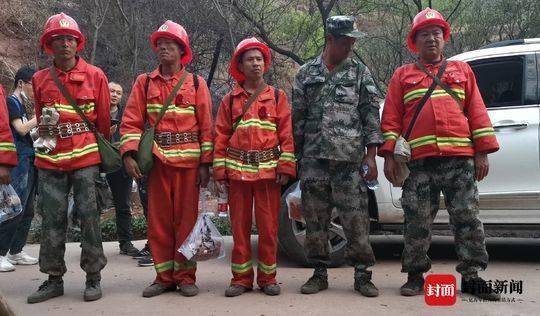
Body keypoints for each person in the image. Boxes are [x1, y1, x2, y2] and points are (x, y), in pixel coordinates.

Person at [379, 8, 500, 301]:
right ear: (414, 41)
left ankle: (472, 276)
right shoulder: (402, 75)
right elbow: (391, 120)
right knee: (416, 220)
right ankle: (415, 276)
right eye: (424, 34)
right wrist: (390, 157)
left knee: (468, 218)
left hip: (460, 160)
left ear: (444, 38)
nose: (431, 39)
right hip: (419, 164)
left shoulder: (462, 71)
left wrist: (482, 152)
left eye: (436, 33)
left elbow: (477, 112)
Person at [120, 20, 213, 298]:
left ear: (181, 50)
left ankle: (185, 277)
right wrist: (129, 154)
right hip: (158, 165)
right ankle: (163, 277)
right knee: (158, 222)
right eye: (160, 44)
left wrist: (206, 164)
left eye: (170, 44)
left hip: (188, 168)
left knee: (186, 223)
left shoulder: (196, 83)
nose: (163, 48)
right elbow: (131, 122)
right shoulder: (144, 82)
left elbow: (206, 126)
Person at [292, 16, 384, 297]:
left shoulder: (359, 73)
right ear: (330, 40)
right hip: (314, 160)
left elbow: (370, 116)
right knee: (315, 220)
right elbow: (297, 118)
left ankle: (362, 275)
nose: (350, 47)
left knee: (356, 220)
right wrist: (296, 158)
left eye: (353, 41)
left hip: (348, 161)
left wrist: (371, 157)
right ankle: (319, 273)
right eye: (346, 41)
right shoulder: (306, 73)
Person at [27, 12, 110, 303]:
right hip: (51, 160)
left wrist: (99, 157)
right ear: (50, 44)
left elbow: (102, 122)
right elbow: (40, 119)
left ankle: (93, 277)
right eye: (58, 39)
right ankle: (53, 279)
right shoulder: (39, 79)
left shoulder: (96, 75)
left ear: (78, 43)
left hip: (86, 158)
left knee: (90, 217)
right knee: (52, 218)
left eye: (69, 39)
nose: (64, 43)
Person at [213, 38, 296, 297]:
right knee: (239, 228)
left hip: (268, 174)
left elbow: (286, 135)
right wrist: (219, 170)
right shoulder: (229, 100)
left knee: (269, 228)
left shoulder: (278, 97)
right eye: (250, 59)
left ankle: (268, 278)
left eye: (259, 59)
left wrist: (286, 166)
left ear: (265, 64)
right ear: (240, 64)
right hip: (237, 173)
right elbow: (221, 135)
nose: (255, 63)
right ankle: (240, 279)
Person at [0, 67, 38, 272]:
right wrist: (40, 116)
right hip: (17, 160)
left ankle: (16, 250)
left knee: (29, 208)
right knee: (13, 206)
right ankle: (1, 252)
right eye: (34, 84)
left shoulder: (22, 105)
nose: (35, 89)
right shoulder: (10, 102)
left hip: (29, 159)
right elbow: (21, 129)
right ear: (21, 83)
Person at [105, 81, 140, 256]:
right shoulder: (95, 112)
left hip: (120, 163)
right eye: (111, 91)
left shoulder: (126, 115)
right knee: (90, 205)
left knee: (123, 205)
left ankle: (125, 243)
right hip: (98, 162)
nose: (114, 95)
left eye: (118, 93)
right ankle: (89, 243)